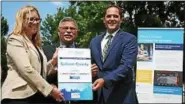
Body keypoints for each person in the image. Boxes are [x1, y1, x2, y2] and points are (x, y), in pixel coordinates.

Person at [1, 5, 64, 104]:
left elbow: (39, 71)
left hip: (36, 96)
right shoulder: (15, 39)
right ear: (22, 20)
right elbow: (26, 69)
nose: (35, 22)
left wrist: (53, 61)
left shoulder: (36, 44)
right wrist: (50, 90)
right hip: (18, 96)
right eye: (31, 19)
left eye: (37, 19)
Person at [90, 5, 138, 104]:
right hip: (99, 96)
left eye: (115, 16)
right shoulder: (94, 41)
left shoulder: (129, 39)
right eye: (109, 16)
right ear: (104, 19)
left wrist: (104, 80)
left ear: (121, 20)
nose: (112, 19)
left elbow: (126, 66)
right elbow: (91, 64)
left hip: (121, 97)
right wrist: (90, 70)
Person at [43, 17, 98, 104]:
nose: (68, 31)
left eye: (72, 28)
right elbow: (39, 75)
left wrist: (92, 74)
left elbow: (91, 81)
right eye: (65, 28)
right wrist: (50, 87)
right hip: (53, 100)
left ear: (76, 32)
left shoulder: (86, 53)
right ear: (58, 32)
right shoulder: (46, 51)